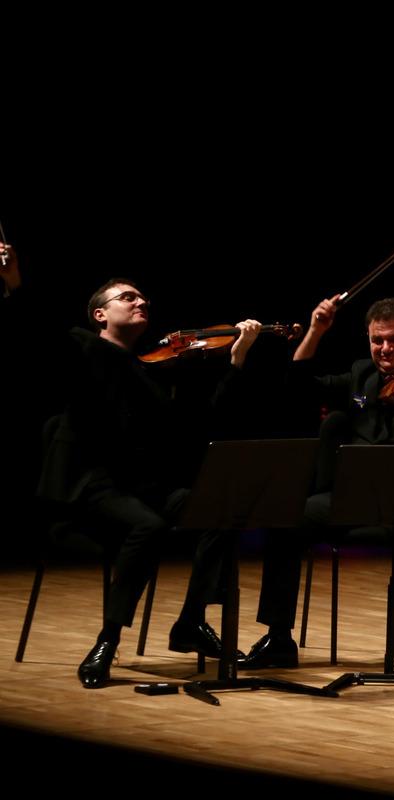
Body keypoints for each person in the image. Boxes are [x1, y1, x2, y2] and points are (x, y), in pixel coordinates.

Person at [0, 242, 262, 689]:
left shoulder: (153, 372)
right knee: (150, 528)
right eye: (127, 297)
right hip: (90, 486)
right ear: (100, 314)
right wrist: (11, 284)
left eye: (142, 298)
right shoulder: (82, 348)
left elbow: (205, 423)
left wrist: (238, 358)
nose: (141, 301)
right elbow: (34, 324)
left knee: (220, 511)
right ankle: (107, 641)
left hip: (143, 487)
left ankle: (191, 622)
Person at [241, 294, 394, 680]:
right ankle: (278, 638)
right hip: (351, 498)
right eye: (378, 340)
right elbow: (300, 384)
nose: (385, 349)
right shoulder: (361, 375)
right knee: (287, 517)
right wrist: (315, 331)